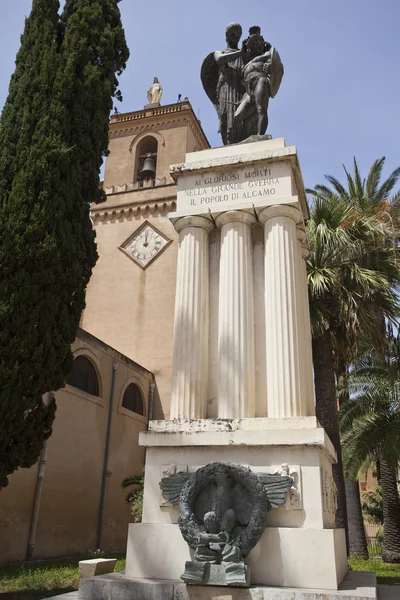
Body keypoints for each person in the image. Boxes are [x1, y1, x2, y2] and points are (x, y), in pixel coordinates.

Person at [234, 33, 272, 137]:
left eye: (258, 42)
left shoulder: (266, 55)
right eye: (253, 42)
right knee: (238, 115)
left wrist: (268, 67)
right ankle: (245, 138)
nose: (255, 44)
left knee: (261, 109)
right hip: (248, 91)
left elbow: (274, 65)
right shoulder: (246, 62)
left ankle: (260, 136)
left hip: (260, 81)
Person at [213, 23, 245, 144]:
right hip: (226, 88)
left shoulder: (244, 55)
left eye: (237, 34)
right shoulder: (220, 52)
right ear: (226, 37)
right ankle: (228, 143)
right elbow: (219, 59)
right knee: (226, 117)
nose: (235, 36)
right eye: (232, 34)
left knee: (240, 116)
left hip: (240, 89)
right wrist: (241, 52)